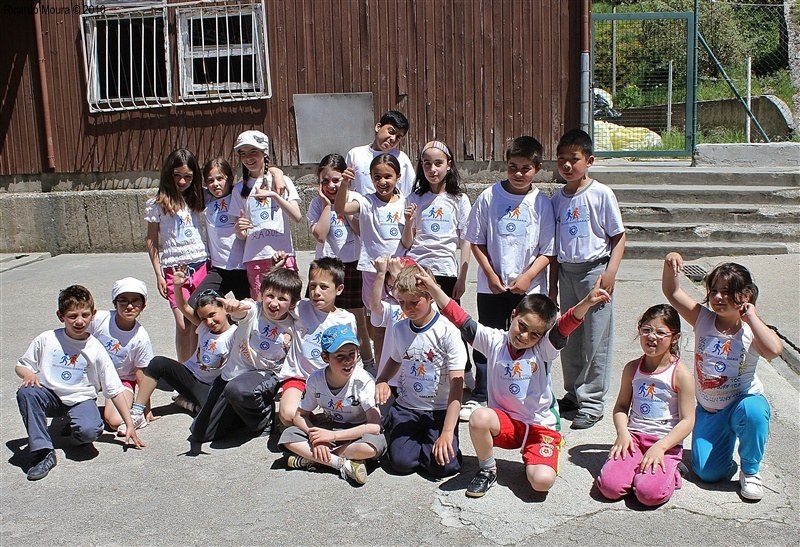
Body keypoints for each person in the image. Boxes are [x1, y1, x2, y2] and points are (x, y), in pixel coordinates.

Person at [415, 267, 609, 497]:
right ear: (513, 315)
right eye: (522, 326)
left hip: (539, 426)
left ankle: (540, 452)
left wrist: (586, 302)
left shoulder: (544, 349)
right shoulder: (494, 341)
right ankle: (488, 470)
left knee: (541, 482)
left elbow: (564, 325)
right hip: (507, 424)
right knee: (479, 417)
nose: (525, 336)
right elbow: (460, 318)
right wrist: (434, 289)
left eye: (535, 334)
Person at [662, 253, 782, 501]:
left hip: (741, 403)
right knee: (706, 473)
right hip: (710, 410)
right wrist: (669, 263)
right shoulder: (703, 318)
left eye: (727, 292)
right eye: (714, 290)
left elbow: (774, 350)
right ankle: (726, 459)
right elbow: (672, 293)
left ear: (745, 295)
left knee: (754, 411)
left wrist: (751, 316)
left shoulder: (751, 329)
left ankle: (750, 471)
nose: (718, 297)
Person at [462, 136, 555, 421]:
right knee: (486, 340)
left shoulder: (541, 203)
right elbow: (476, 240)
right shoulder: (490, 197)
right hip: (493, 287)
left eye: (525, 168)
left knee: (531, 341)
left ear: (537, 168)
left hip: (529, 288)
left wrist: (528, 277)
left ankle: (534, 394)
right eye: (512, 166)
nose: (518, 173)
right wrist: (490, 274)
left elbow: (548, 250)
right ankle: (481, 394)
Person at [15, 285, 144, 481]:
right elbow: (22, 365)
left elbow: (114, 389)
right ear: (61, 316)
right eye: (72, 316)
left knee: (90, 432)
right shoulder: (47, 339)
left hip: (80, 399)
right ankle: (43, 452)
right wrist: (27, 374)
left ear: (93, 314)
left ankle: (74, 434)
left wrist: (130, 424)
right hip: (50, 396)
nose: (79, 321)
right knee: (27, 392)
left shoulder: (96, 349)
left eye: (84, 315)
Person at [550, 128, 626, 429]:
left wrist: (610, 272)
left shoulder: (601, 193)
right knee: (568, 335)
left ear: (589, 160)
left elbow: (619, 237)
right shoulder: (556, 199)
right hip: (567, 273)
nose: (568, 165)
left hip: (594, 273)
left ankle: (592, 401)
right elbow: (554, 249)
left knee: (596, 339)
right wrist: (553, 286)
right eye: (562, 160)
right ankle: (573, 393)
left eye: (574, 159)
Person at [189, 264, 302, 443]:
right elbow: (243, 310)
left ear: (293, 303)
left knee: (238, 389)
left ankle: (264, 419)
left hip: (266, 375)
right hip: (232, 374)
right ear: (262, 294)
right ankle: (240, 412)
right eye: (270, 296)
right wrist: (235, 308)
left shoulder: (295, 323)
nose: (274, 303)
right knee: (201, 434)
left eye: (282, 299)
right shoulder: (253, 309)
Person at [596, 304, 695, 506]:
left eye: (661, 333)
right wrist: (622, 432)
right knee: (610, 488)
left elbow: (687, 420)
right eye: (647, 330)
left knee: (648, 494)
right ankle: (633, 471)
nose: (652, 337)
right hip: (633, 439)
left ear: (674, 338)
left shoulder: (680, 374)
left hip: (664, 442)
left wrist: (661, 447)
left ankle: (672, 472)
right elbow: (621, 407)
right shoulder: (632, 368)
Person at [375, 265, 467, 478]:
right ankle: (402, 433)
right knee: (401, 463)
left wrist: (446, 433)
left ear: (431, 297)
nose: (407, 308)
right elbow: (395, 359)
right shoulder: (400, 329)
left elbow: (456, 386)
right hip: (408, 407)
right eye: (401, 302)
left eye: (414, 302)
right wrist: (382, 380)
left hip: (439, 410)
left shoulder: (448, 332)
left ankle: (440, 441)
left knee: (444, 467)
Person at [122, 267, 237, 435]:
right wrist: (177, 286)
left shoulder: (235, 333)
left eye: (213, 315)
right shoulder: (203, 327)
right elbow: (183, 306)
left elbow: (252, 314)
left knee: (211, 413)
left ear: (225, 308)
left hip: (208, 387)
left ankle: (189, 404)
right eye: (204, 318)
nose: (209, 321)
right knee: (158, 362)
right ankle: (137, 412)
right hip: (189, 376)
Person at [402, 140, 473, 388]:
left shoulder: (459, 199)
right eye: (427, 164)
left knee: (453, 321)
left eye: (438, 163)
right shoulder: (414, 197)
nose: (433, 169)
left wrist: (462, 279)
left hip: (446, 270)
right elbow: (407, 241)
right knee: (420, 320)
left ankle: (464, 371)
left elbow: (465, 241)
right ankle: (426, 370)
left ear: (449, 165)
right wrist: (409, 221)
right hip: (419, 269)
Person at [280, 324, 386, 485]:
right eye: (340, 356)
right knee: (288, 436)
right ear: (325, 358)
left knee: (372, 446)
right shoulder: (316, 379)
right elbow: (300, 415)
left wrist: (332, 437)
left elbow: (374, 426)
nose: (348, 361)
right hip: (329, 426)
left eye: (352, 354)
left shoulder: (363, 381)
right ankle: (342, 463)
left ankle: (314, 458)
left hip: (357, 431)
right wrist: (316, 437)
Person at [334, 153, 406, 364]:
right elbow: (340, 208)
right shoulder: (365, 201)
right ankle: (381, 369)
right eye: (377, 177)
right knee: (379, 323)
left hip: (398, 273)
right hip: (372, 272)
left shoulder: (405, 202)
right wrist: (345, 184)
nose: (382, 182)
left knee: (401, 322)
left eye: (388, 176)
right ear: (371, 178)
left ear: (398, 177)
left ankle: (400, 367)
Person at [307, 153, 374, 370]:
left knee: (357, 319)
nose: (330, 185)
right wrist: (328, 206)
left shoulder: (354, 199)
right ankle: (328, 361)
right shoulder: (317, 205)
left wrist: (341, 207)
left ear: (346, 179)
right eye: (325, 181)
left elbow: (360, 230)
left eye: (336, 180)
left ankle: (367, 361)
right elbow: (320, 235)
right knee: (325, 316)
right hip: (326, 267)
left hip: (352, 264)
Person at [277, 257, 358, 427]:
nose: (316, 292)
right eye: (312, 286)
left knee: (353, 414)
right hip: (300, 378)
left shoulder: (347, 319)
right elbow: (275, 299)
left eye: (324, 287)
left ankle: (318, 428)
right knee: (288, 415)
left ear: (339, 289)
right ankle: (313, 427)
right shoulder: (300, 308)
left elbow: (351, 354)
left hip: (331, 380)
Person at [145, 148, 208, 362]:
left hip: (200, 264)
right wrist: (158, 275)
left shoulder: (199, 199)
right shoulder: (157, 204)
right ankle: (183, 373)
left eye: (188, 177)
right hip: (174, 268)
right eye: (177, 175)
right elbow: (151, 240)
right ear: (168, 174)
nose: (182, 181)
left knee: (198, 321)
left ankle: (198, 370)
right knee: (183, 324)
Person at [230, 130, 302, 299]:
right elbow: (242, 235)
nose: (248, 158)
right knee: (263, 307)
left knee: (290, 304)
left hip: (283, 255)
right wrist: (239, 230)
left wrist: (275, 195)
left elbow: (297, 216)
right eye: (243, 153)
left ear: (264, 153)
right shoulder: (239, 189)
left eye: (253, 152)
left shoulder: (282, 182)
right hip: (254, 259)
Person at [88, 277, 154, 431]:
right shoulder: (99, 319)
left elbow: (141, 373)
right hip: (93, 374)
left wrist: (145, 407)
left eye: (135, 301)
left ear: (143, 305)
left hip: (120, 380)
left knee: (114, 421)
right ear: (115, 303)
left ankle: (115, 407)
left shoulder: (141, 337)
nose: (129, 306)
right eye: (123, 300)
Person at [187, 157, 251, 308]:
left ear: (230, 179)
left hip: (242, 268)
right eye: (210, 180)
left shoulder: (239, 195)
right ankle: (224, 328)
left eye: (219, 179)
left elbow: (262, 176)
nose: (215, 184)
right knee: (195, 303)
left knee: (249, 311)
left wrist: (278, 174)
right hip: (220, 269)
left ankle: (233, 327)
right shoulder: (206, 199)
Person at [345, 110, 416, 197]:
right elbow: (347, 189)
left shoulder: (401, 158)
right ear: (378, 127)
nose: (393, 138)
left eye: (398, 137)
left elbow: (409, 191)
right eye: (391, 132)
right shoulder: (356, 154)